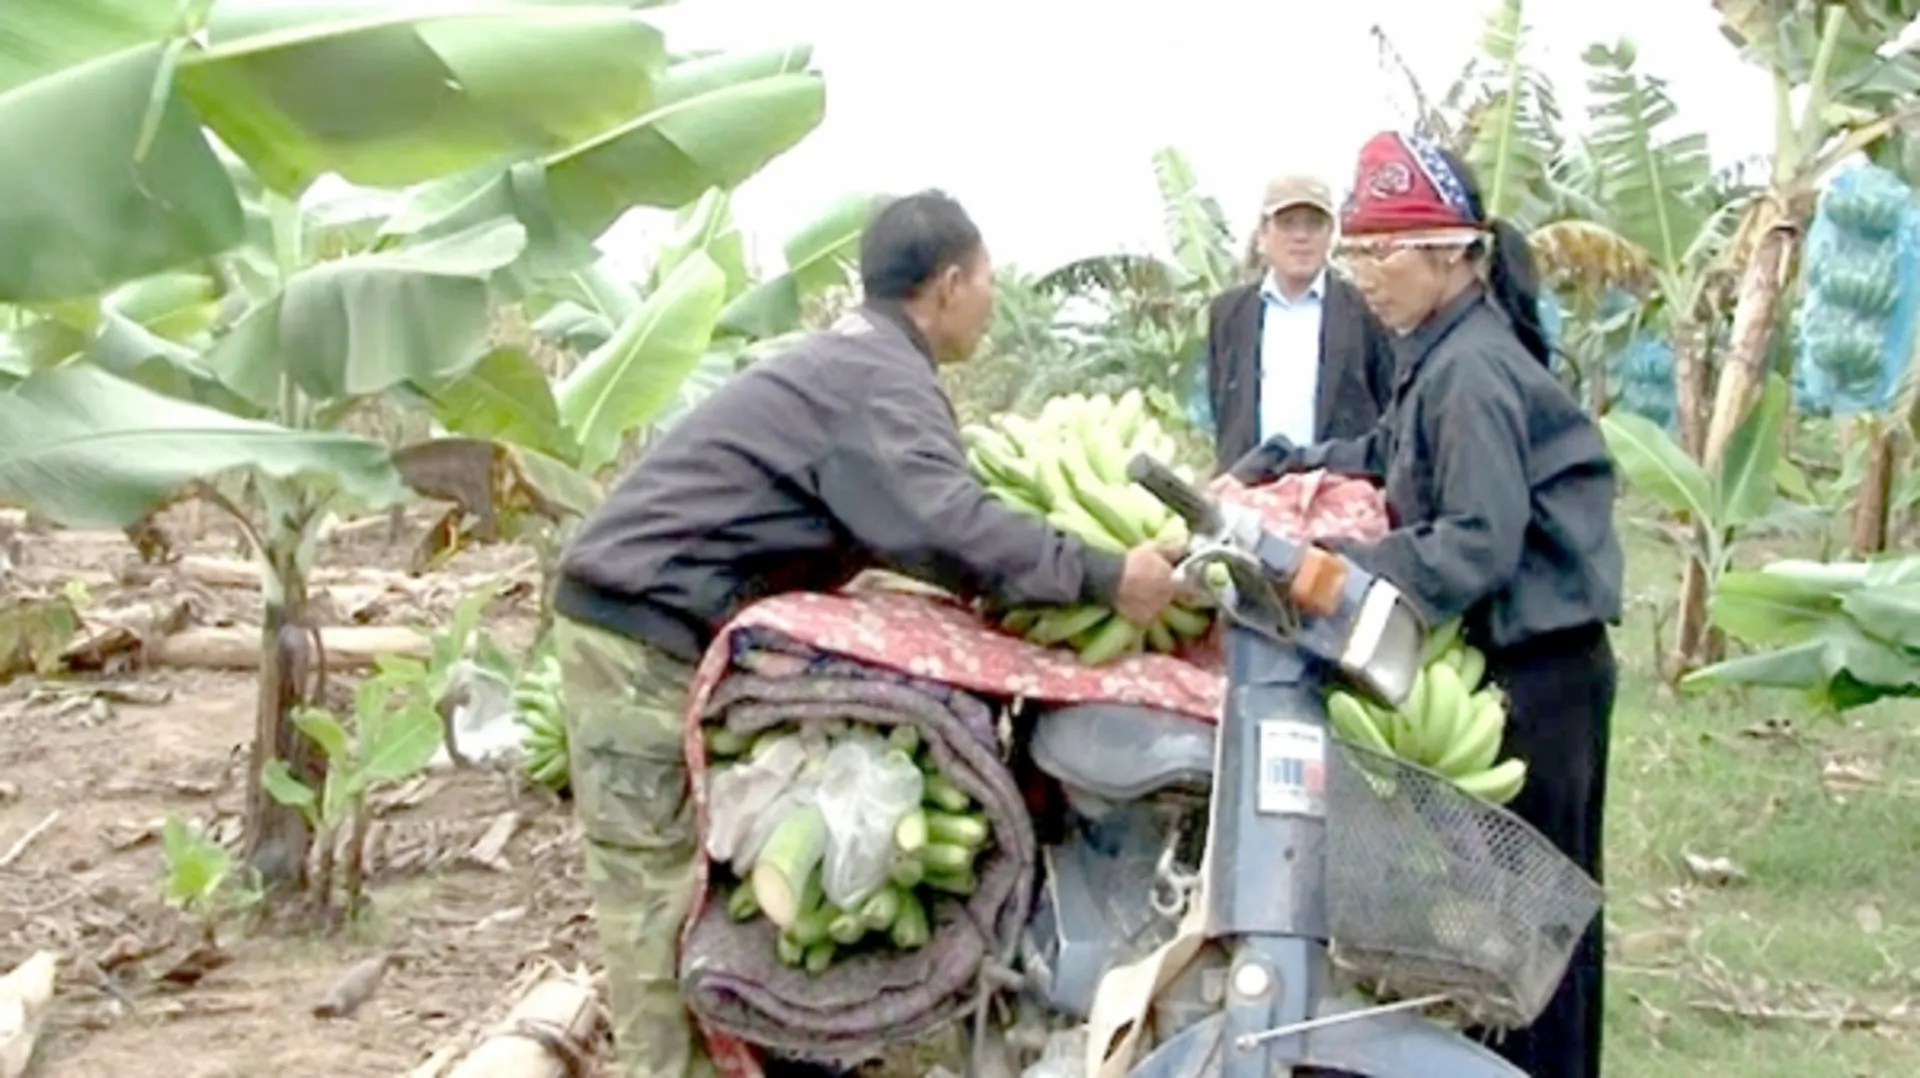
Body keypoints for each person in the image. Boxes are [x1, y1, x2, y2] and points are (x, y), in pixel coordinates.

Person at [549, 189, 1183, 1078]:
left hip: (658, 616)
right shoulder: (880, 377)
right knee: (651, 898)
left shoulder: (857, 361)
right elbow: (947, 519)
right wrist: (1106, 576)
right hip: (633, 627)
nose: (992, 299)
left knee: (688, 886)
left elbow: (898, 522)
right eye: (989, 278)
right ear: (951, 282)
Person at [1220, 133, 1622, 1078]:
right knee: (1516, 911)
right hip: (1530, 659)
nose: (1367, 275)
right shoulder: (1438, 350)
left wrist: (1341, 560)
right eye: (1357, 253)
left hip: (1543, 668)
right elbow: (1399, 455)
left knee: (1536, 921)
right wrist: (1300, 464)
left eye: (1383, 252)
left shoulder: (1472, 371)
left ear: (1452, 252)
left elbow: (1478, 538)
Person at [1196, 173, 1397, 468]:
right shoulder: (1228, 313)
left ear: (1330, 234)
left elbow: (1388, 405)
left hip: (1337, 492)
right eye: (1287, 223)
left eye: (1313, 224)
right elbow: (1222, 404)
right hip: (1248, 488)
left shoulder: (1364, 310)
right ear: (1264, 233)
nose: (1301, 237)